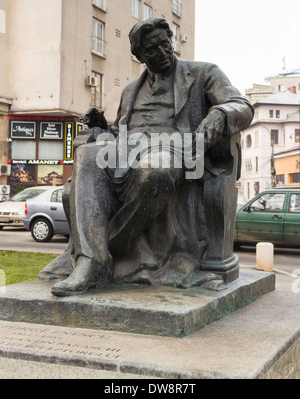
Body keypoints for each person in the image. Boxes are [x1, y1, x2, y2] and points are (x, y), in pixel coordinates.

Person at [46, 18, 253, 297]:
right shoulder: (130, 91)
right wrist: (101, 127)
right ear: (140, 56)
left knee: (155, 170)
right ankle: (92, 262)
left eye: (165, 44)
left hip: (173, 147)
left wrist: (219, 114)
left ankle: (110, 246)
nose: (163, 53)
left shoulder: (203, 73)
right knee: (88, 153)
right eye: (153, 50)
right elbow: (120, 132)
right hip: (128, 148)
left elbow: (241, 105)